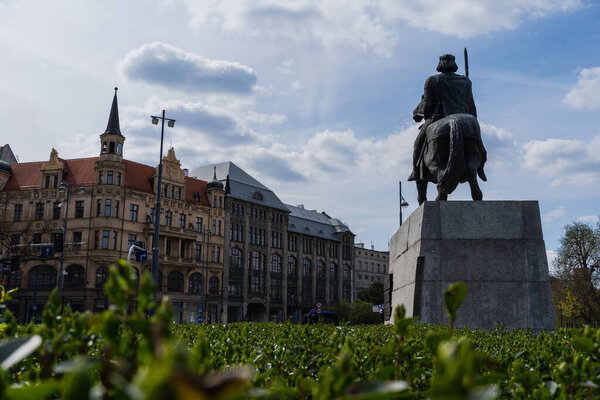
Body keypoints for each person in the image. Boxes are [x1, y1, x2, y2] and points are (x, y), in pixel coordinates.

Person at [409, 54, 477, 181]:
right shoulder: (466, 82)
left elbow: (427, 106)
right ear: (453, 64)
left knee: (418, 143)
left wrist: (421, 113)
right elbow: (471, 106)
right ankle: (478, 165)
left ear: (440, 65)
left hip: (438, 118)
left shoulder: (432, 80)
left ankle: (416, 171)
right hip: (467, 120)